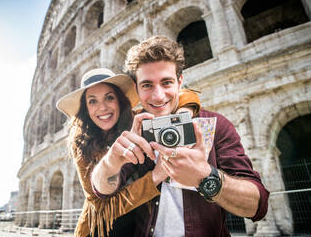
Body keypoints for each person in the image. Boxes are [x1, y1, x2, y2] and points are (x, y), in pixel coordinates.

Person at [91, 35, 269, 236]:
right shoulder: (136, 129)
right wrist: (110, 163)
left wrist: (205, 176)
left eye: (166, 82)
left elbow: (257, 206)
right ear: (136, 88)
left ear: (180, 82)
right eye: (147, 85)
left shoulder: (216, 125)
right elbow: (102, 189)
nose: (158, 96)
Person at [56, 68, 201, 237]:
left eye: (109, 98)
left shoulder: (140, 121)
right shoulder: (81, 142)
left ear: (120, 100)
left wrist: (182, 114)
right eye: (92, 101)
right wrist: (156, 176)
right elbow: (100, 204)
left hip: (143, 224)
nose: (102, 108)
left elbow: (186, 94)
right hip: (101, 229)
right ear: (85, 108)